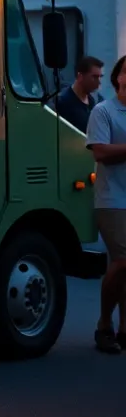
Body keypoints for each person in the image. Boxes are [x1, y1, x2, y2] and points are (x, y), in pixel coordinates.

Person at [84, 54, 126, 354]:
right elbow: (99, 151)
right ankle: (103, 325)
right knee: (123, 260)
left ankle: (123, 329)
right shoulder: (104, 111)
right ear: (118, 78)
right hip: (112, 198)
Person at [54, 55, 104, 133]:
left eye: (100, 77)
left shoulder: (95, 100)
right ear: (80, 76)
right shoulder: (63, 103)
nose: (99, 82)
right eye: (94, 77)